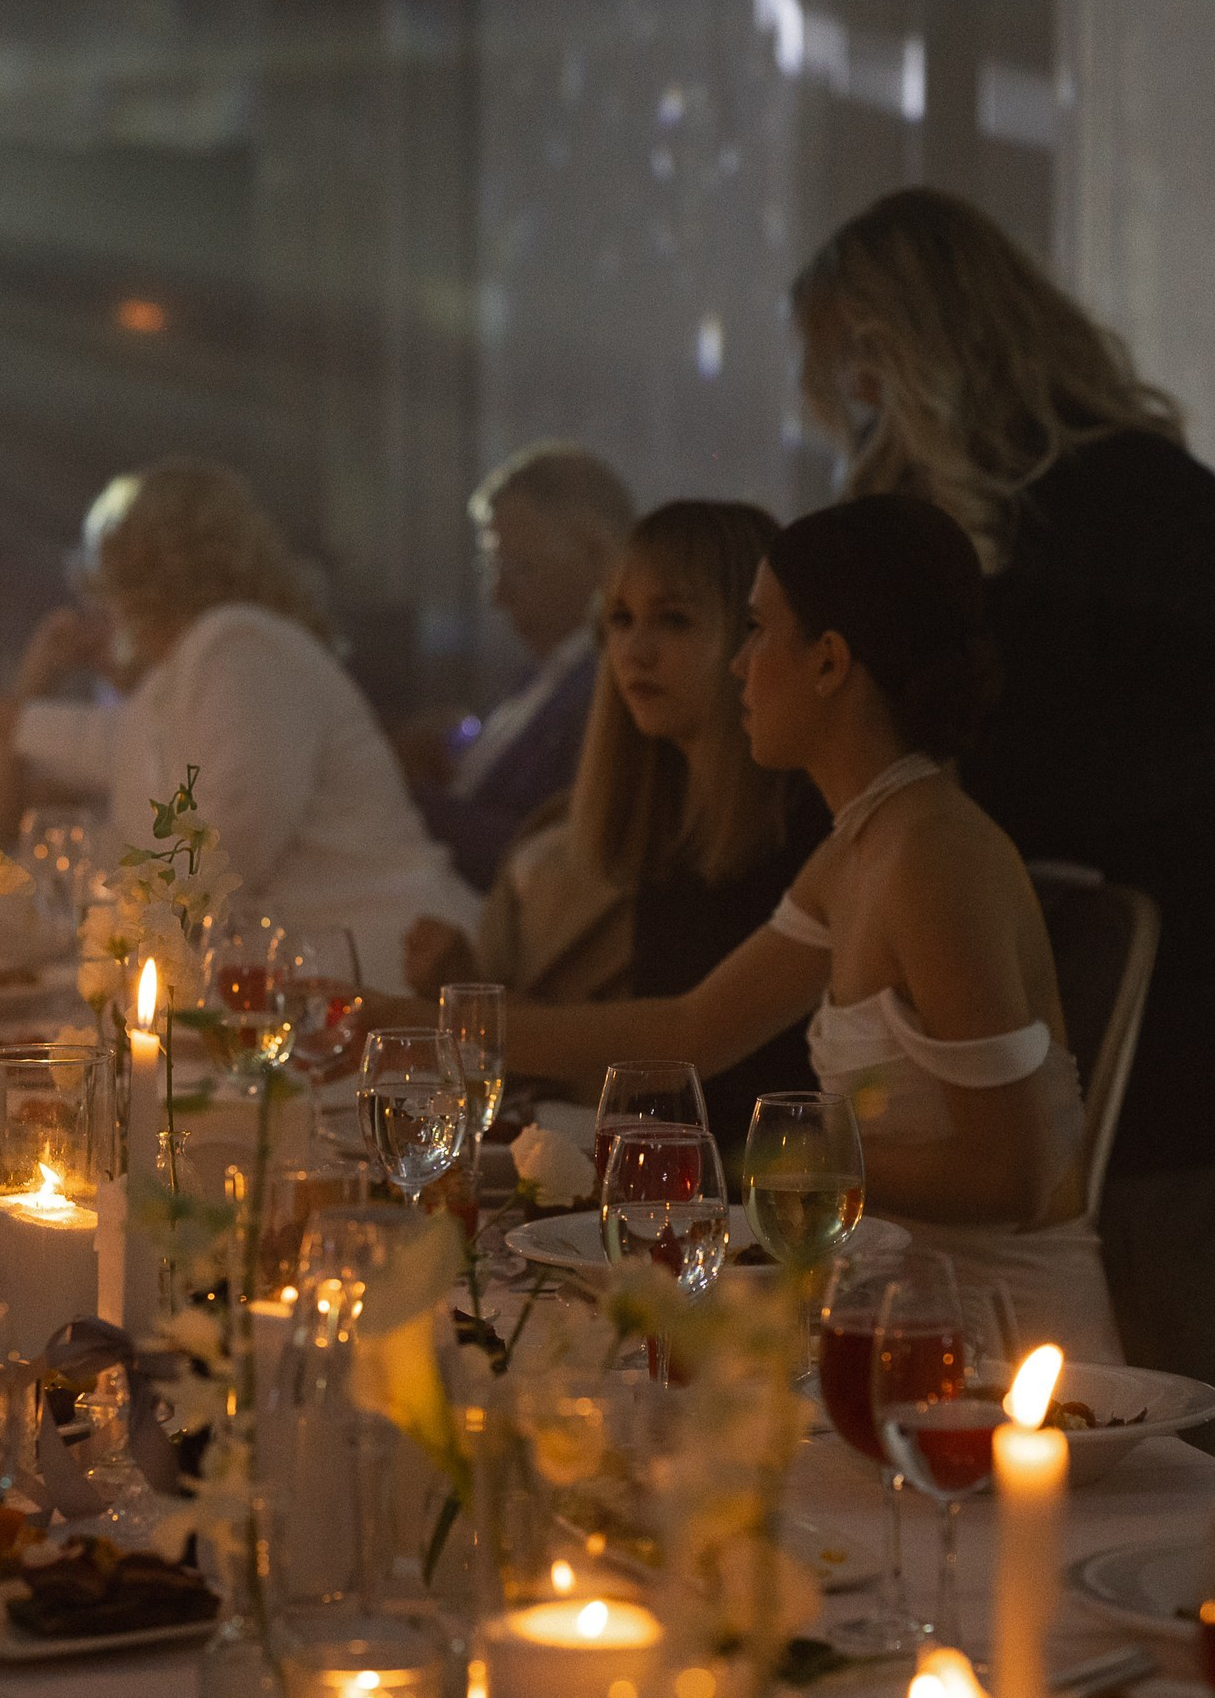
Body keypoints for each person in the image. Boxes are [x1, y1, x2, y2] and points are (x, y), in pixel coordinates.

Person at [792, 186, 1215, 1403]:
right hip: (1029, 978)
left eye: (854, 366)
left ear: (906, 343)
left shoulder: (1134, 487)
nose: (851, 403)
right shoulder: (925, 519)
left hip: (1178, 993)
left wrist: (985, 813)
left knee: (1168, 1368)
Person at [478, 493, 1122, 1361]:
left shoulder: (934, 855)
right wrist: (430, 1023)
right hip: (880, 1326)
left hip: (999, 1358)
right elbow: (688, 1029)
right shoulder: (857, 849)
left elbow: (1011, 1172)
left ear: (827, 663)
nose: (740, 666)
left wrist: (767, 1165)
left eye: (755, 631)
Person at [0, 458, 477, 992]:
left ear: (135, 566)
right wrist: (5, 706)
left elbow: (226, 849)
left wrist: (87, 934)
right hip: (317, 971)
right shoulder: (189, 663)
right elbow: (118, 748)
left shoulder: (241, 645)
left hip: (388, 969)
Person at [405, 501, 824, 1145]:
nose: (637, 650)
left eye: (675, 621)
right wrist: (463, 989)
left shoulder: (804, 823)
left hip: (768, 1209)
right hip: (665, 1193)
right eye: (620, 621)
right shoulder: (668, 814)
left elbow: (682, 1040)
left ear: (755, 636)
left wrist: (436, 1020)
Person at [399, 443, 632, 890]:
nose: (496, 597)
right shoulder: (543, 675)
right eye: (491, 566)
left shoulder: (611, 688)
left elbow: (547, 857)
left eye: (519, 567)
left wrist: (402, 793)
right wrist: (456, 745)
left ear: (598, 554)